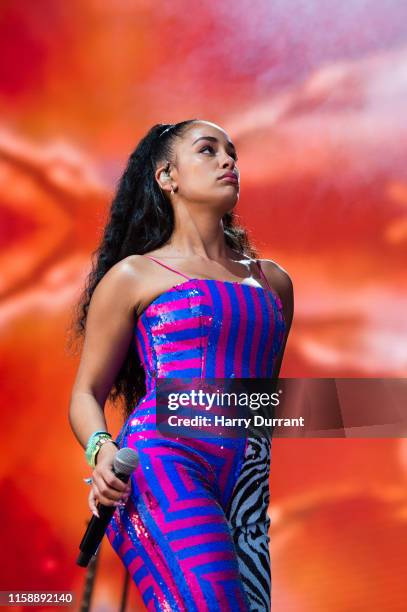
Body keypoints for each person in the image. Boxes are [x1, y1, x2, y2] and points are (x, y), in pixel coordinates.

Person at [68, 119, 294, 611]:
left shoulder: (274, 283)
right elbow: (86, 392)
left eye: (232, 152)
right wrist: (101, 450)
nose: (228, 161)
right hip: (159, 467)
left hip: (247, 485)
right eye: (208, 151)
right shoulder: (134, 276)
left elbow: (259, 408)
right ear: (167, 176)